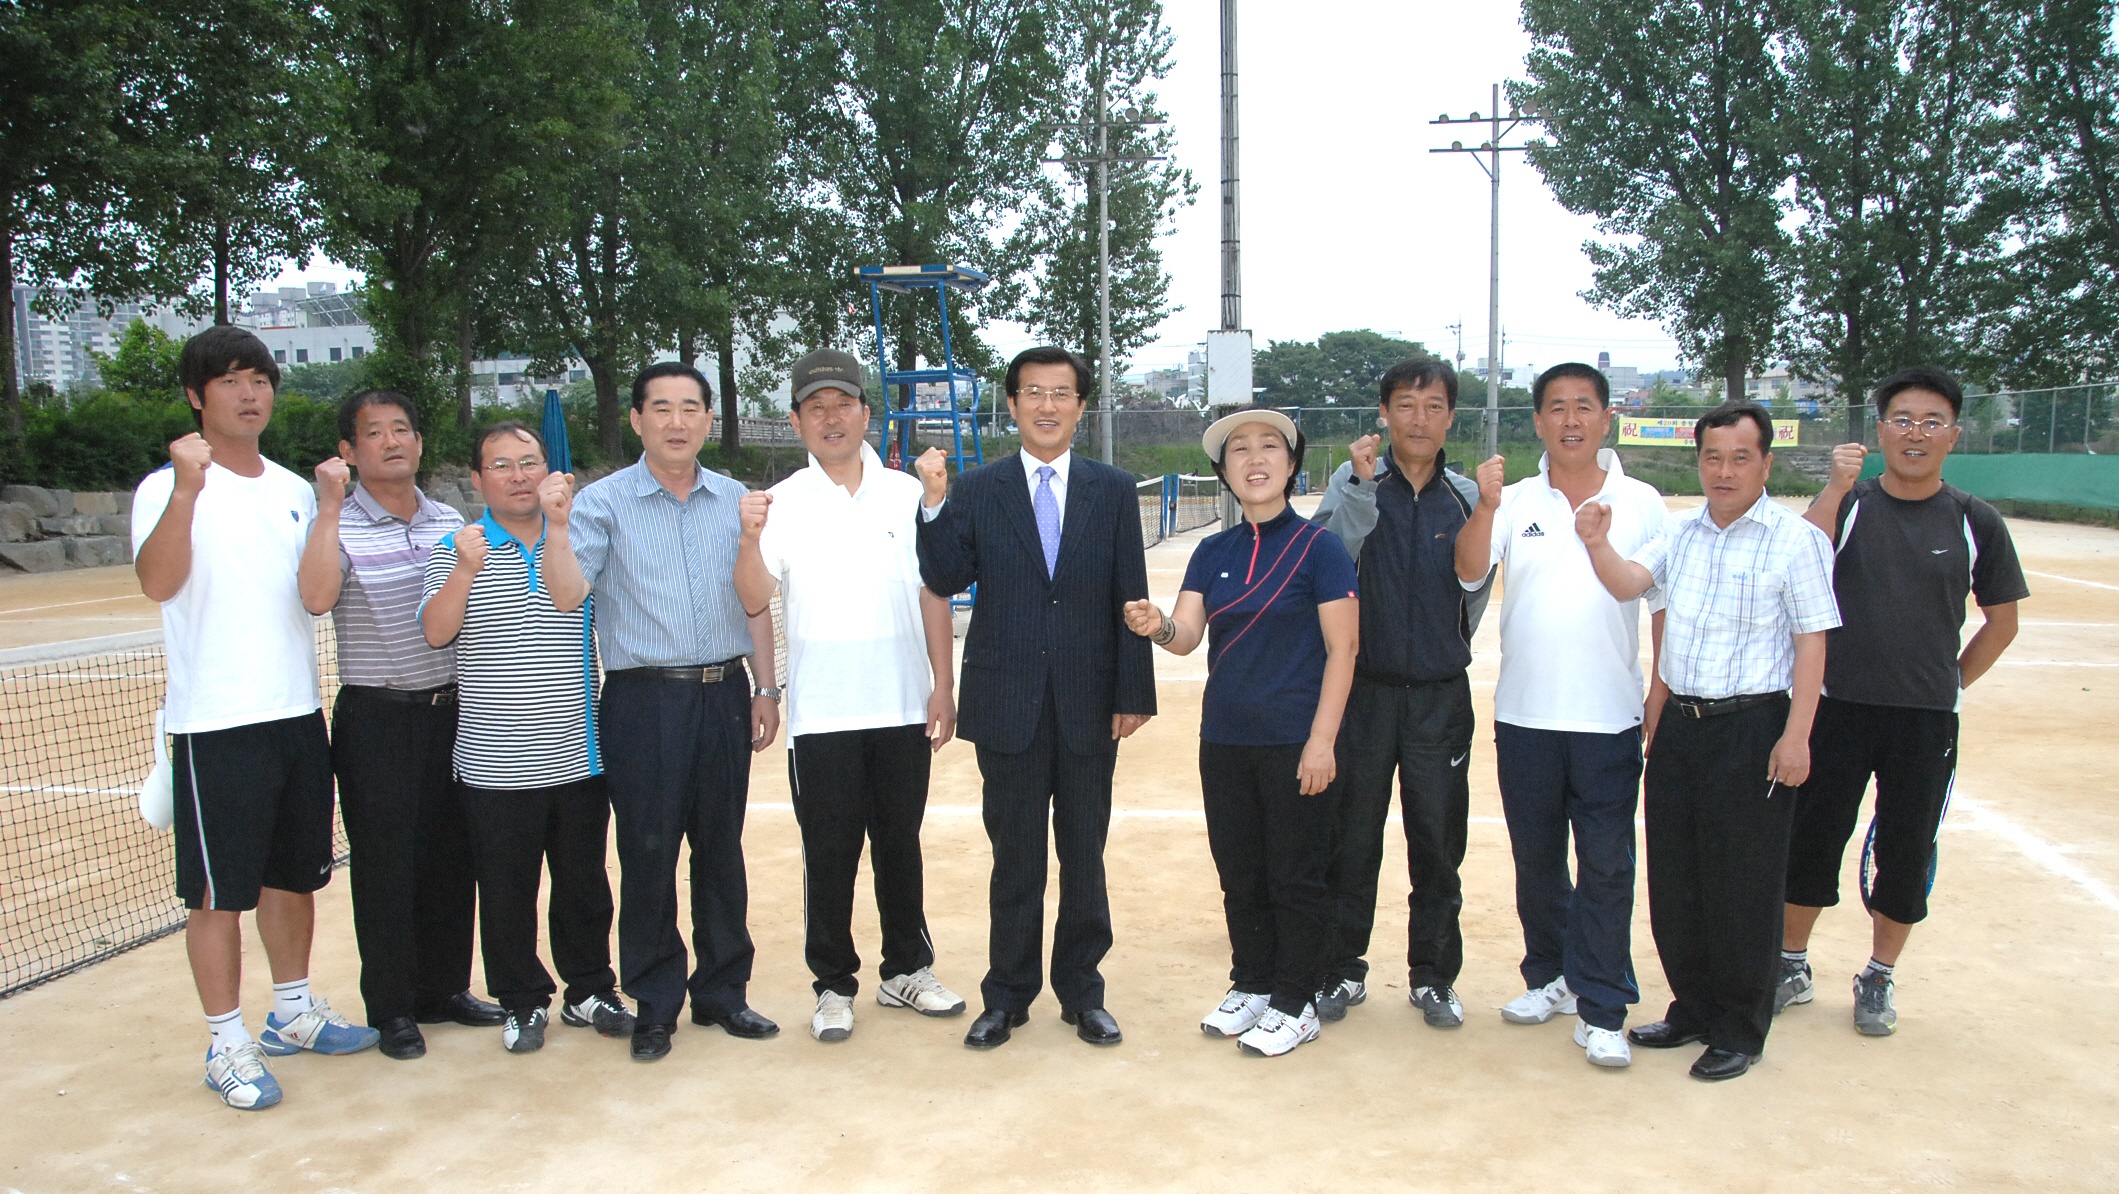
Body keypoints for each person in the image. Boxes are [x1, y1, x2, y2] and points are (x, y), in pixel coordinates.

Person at [131, 326, 379, 1111]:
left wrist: (331, 508)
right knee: (216, 896)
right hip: (214, 724)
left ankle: (294, 1012)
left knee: (292, 878)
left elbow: (316, 596)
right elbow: (158, 584)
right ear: (196, 396)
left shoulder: (293, 489)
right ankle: (226, 1041)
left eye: (260, 379)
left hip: (296, 716)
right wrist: (186, 491)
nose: (249, 393)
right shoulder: (163, 488)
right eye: (231, 380)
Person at [1577, 400, 1840, 1081]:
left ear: (1764, 463)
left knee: (1742, 886)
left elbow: (1812, 644)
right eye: (1712, 457)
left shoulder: (1794, 540)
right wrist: (1596, 543)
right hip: (1680, 731)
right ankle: (1692, 1006)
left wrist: (1796, 737)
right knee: (1677, 878)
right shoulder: (1681, 533)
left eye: (1739, 457)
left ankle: (1740, 1027)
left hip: (1752, 729)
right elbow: (1627, 584)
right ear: (1698, 461)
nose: (1723, 471)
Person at [913, 345, 1156, 1050]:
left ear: (1081, 406)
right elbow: (944, 572)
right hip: (1008, 704)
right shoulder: (980, 489)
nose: (1047, 405)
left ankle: (1083, 992)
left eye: (1061, 393)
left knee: (1085, 855)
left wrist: (1131, 691)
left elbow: (1129, 593)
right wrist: (933, 501)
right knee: (1014, 857)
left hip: (1089, 706)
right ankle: (1007, 996)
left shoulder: (1111, 489)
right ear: (1012, 405)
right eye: (1032, 393)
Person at [1779, 366, 2026, 1036]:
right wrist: (1833, 486)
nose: (1914, 433)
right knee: (1812, 839)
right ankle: (1789, 962)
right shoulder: (1852, 504)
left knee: (1906, 850)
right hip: (1837, 710)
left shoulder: (1976, 521)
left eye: (1930, 421)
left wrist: (1948, 687)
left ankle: (1877, 975)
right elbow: (1800, 554)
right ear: (1880, 429)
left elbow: (2000, 622)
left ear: (1952, 434)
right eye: (1901, 420)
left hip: (1923, 723)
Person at [732, 348, 967, 1043]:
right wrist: (766, 687)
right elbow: (751, 597)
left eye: (842, 404)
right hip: (821, 714)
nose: (830, 418)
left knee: (900, 845)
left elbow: (933, 591)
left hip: (901, 704)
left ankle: (905, 971)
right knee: (828, 853)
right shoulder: (778, 504)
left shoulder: (906, 491)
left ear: (866, 411)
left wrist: (942, 685)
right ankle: (833, 982)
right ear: (798, 421)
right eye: (815, 408)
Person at [1452, 362, 1668, 1069]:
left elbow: (1662, 606)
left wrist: (1655, 699)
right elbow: (1467, 573)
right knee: (1536, 862)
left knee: (1606, 865)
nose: (1570, 419)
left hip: (1608, 719)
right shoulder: (1513, 498)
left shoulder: (1642, 501)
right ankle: (1548, 977)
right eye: (1555, 408)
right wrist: (1483, 507)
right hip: (1524, 719)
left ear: (1606, 419)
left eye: (1583, 406)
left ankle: (1603, 1005)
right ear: (1537, 421)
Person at [1124, 407, 1358, 1057]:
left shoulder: (1320, 548)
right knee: (1241, 874)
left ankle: (1295, 999)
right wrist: (1157, 626)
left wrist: (1321, 742)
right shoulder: (1212, 551)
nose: (1253, 459)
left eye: (1268, 447)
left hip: (1293, 742)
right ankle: (1252, 982)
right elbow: (1188, 635)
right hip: (1224, 740)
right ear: (1223, 472)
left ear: (1290, 465)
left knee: (1295, 876)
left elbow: (1344, 651)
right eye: (1238, 451)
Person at [570, 363, 782, 1062]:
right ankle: (656, 1004)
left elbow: (754, 601)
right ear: (636, 419)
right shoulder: (602, 505)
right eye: (660, 408)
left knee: (720, 848)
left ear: (707, 418)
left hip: (723, 692)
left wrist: (764, 687)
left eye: (691, 407)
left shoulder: (736, 501)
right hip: (642, 699)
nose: (676, 421)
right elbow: (569, 593)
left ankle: (723, 993)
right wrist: (550, 521)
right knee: (650, 852)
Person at [294, 389, 503, 1061]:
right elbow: (317, 597)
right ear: (349, 453)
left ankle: (443, 990)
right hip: (378, 718)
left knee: (452, 858)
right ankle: (391, 1007)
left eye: (402, 430)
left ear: (418, 442)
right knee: (386, 867)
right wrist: (329, 508)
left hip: (454, 711)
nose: (392, 442)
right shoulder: (338, 523)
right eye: (374, 434)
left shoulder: (449, 518)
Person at [419, 422, 631, 1055]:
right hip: (491, 764)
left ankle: (590, 989)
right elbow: (435, 632)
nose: (518, 476)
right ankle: (521, 1000)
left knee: (585, 887)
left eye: (530, 462)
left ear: (551, 471)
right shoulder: (455, 547)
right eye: (502, 465)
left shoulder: (578, 540)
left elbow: (574, 604)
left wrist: (560, 529)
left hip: (579, 756)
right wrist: (464, 568)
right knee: (507, 892)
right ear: (479, 479)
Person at [1310, 358, 1492, 1030]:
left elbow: (1473, 592)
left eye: (1434, 406)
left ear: (1450, 416)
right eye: (1406, 405)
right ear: (1383, 413)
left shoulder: (1466, 497)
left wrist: (1444, 651)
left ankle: (1432, 977)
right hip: (1361, 695)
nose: (1419, 419)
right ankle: (1340, 970)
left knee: (1438, 845)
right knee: (1349, 842)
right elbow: (1325, 563)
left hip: (1439, 701)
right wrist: (1358, 488)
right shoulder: (1354, 481)